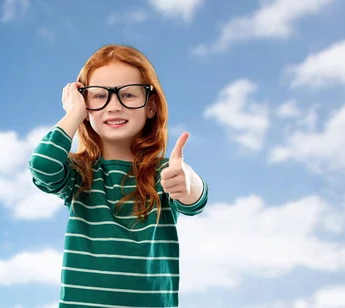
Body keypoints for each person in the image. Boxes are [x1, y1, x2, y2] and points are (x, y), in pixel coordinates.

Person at [28, 44, 209, 307]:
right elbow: (42, 164)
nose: (114, 106)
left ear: (151, 105)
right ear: (84, 104)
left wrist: (188, 181)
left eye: (128, 94)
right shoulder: (80, 173)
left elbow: (195, 200)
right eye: (99, 96)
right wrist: (74, 114)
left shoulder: (164, 173)